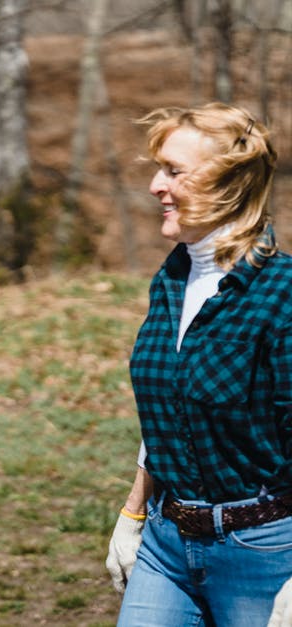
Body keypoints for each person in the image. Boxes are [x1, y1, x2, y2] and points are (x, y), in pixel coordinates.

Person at [105, 102, 292, 626]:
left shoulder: (281, 294)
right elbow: (168, 409)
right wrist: (133, 511)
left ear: (229, 182)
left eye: (174, 171)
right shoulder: (171, 279)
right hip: (166, 546)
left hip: (264, 552)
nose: (155, 186)